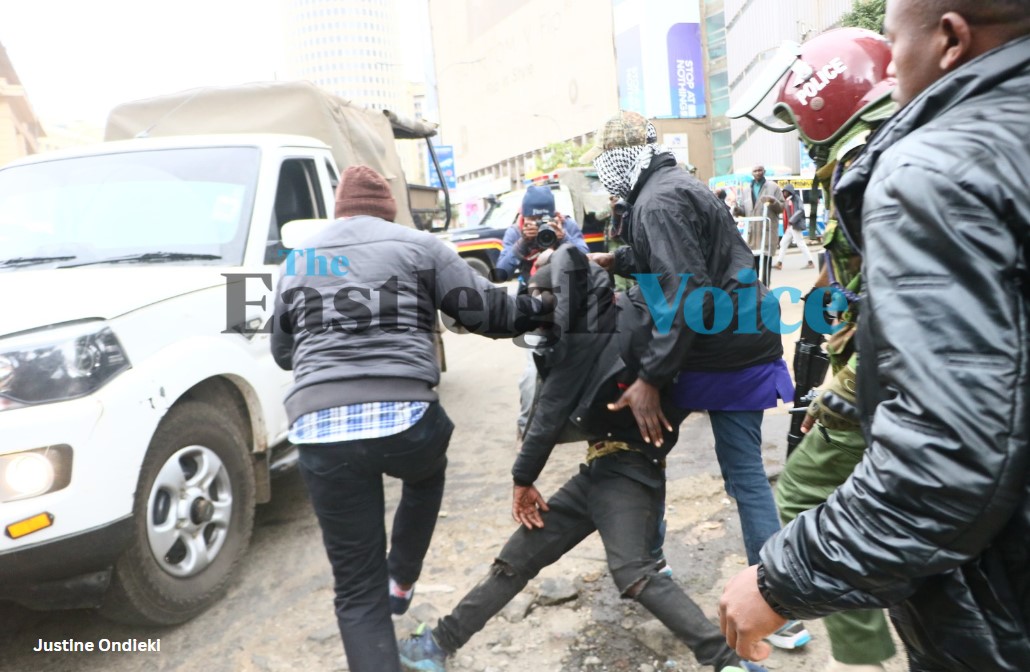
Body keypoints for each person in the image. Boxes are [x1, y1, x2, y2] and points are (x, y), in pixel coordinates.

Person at [719, 2, 1030, 670]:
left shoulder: (933, 167)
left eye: (895, 41)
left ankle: (859, 653)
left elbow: (946, 460)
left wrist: (779, 582)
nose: (892, 69)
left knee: (805, 493)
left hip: (999, 613)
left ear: (949, 38)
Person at [398, 243, 768, 672]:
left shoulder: (592, 330)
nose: (542, 311)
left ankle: (728, 662)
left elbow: (551, 410)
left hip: (629, 471)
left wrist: (522, 478)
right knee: (517, 559)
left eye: (546, 299)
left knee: (635, 572)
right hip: (600, 470)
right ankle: (438, 644)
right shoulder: (617, 313)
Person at [271, 165, 548, 672]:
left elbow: (283, 353)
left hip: (316, 426)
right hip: (405, 419)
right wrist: (549, 303)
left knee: (356, 592)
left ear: (338, 210)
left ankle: (383, 598)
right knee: (427, 468)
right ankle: (401, 577)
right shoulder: (419, 246)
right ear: (388, 209)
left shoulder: (298, 259)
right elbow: (491, 316)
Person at [584, 111, 809, 650]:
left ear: (623, 159)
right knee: (747, 476)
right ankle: (783, 607)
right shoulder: (676, 184)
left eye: (607, 165)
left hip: (711, 351)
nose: (606, 177)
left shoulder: (656, 200)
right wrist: (615, 257)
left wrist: (652, 377)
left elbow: (685, 292)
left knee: (642, 447)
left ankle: (652, 564)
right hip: (745, 340)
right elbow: (680, 257)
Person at [728, 26, 901, 672]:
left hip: (881, 381)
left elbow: (896, 306)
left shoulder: (871, 171)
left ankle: (861, 656)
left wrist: (844, 388)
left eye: (802, 123)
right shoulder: (865, 165)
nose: (800, 137)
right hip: (868, 371)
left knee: (803, 496)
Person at [496, 185, 590, 440]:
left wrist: (563, 240)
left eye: (543, 219)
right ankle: (525, 428)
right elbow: (501, 271)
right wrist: (522, 243)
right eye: (533, 220)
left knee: (571, 363)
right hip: (533, 305)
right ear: (524, 216)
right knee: (531, 373)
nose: (539, 225)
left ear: (553, 214)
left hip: (567, 302)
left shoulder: (565, 226)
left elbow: (588, 261)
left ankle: (570, 423)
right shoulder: (515, 231)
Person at [737, 165, 783, 257]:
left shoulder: (773, 187)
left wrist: (773, 201)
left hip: (767, 233)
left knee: (765, 265)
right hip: (752, 236)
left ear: (764, 172)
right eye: (755, 171)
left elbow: (781, 208)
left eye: (760, 170)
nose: (758, 173)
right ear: (752, 173)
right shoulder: (746, 190)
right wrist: (737, 210)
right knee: (754, 265)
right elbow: (744, 211)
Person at [773, 183, 815, 270]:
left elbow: (801, 210)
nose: (783, 193)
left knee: (801, 243)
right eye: (783, 192)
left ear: (789, 192)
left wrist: (792, 220)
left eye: (785, 192)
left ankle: (810, 262)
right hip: (790, 226)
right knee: (783, 243)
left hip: (795, 225)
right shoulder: (787, 200)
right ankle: (779, 263)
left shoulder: (796, 199)